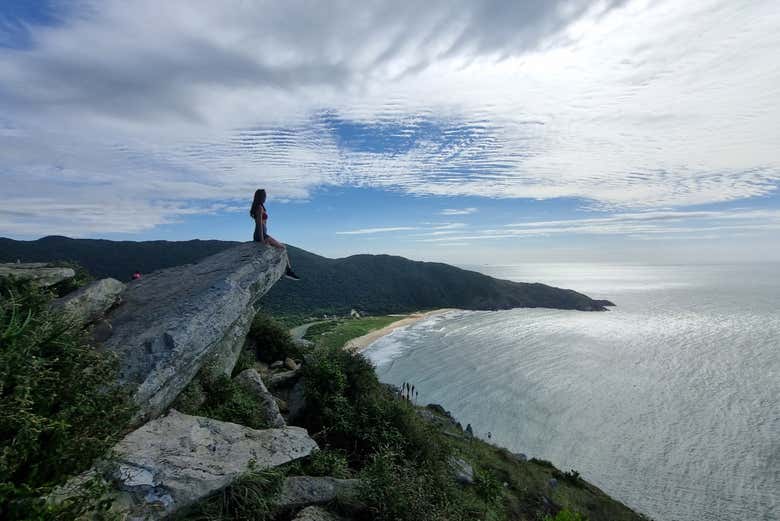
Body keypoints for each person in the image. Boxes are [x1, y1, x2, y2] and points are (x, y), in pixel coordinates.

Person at [250, 188, 300, 280]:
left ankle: (280, 270)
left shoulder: (259, 207)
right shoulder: (260, 208)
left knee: (276, 249)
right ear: (261, 197)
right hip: (261, 234)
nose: (266, 198)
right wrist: (262, 239)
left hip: (261, 233)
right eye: (264, 196)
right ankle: (288, 271)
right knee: (282, 247)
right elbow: (259, 225)